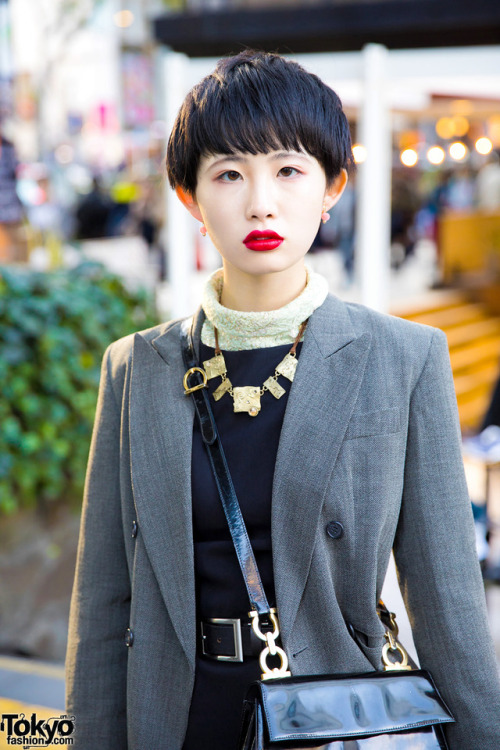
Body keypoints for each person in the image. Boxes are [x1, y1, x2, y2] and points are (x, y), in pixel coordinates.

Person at [65, 50, 500, 749]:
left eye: (289, 170)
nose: (260, 201)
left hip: (339, 721)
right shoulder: (136, 368)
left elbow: (448, 604)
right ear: (190, 198)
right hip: (178, 719)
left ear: (332, 187)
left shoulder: (403, 358)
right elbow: (102, 603)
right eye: (229, 174)